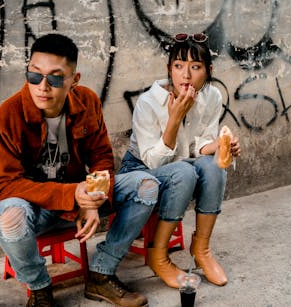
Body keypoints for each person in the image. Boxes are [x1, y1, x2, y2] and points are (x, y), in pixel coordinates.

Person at [0, 33, 157, 307]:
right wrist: (73, 195)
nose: (42, 87)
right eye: (34, 76)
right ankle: (40, 289)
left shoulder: (88, 102)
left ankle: (101, 274)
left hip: (80, 197)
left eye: (56, 78)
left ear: (75, 80)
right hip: (36, 210)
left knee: (146, 185)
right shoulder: (8, 115)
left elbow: (102, 158)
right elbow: (5, 183)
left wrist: (94, 200)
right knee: (9, 216)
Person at [118, 33, 241, 289]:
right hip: (141, 171)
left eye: (195, 67)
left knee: (215, 164)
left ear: (208, 70)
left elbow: (199, 146)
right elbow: (152, 162)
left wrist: (219, 145)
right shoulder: (149, 102)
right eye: (178, 66)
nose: (185, 75)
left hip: (183, 166)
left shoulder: (212, 97)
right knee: (184, 171)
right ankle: (158, 255)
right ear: (169, 69)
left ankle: (202, 249)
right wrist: (174, 119)